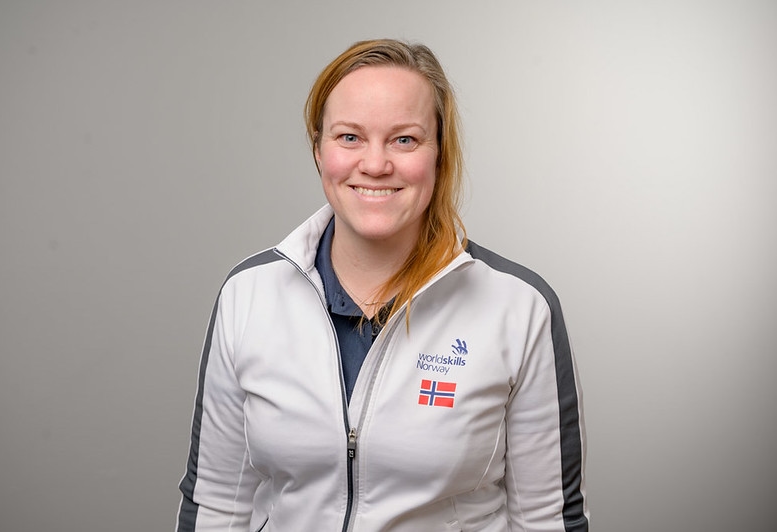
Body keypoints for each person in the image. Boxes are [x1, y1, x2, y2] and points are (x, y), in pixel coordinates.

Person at [176, 39, 588, 532]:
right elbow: (216, 505)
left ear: (439, 153)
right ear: (318, 150)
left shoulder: (520, 308)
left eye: (404, 140)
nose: (375, 164)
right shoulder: (248, 294)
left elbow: (547, 520)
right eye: (349, 137)